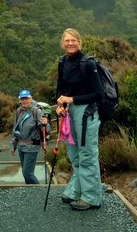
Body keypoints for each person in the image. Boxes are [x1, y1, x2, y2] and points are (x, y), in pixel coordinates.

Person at [55, 28, 103, 210]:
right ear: (62, 43)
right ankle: (76, 190)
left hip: (86, 114)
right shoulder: (63, 62)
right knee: (74, 154)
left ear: (79, 42)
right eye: (67, 40)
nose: (70, 43)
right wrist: (60, 104)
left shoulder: (88, 63)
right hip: (69, 113)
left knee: (87, 155)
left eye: (73, 40)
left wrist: (71, 100)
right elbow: (60, 88)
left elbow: (97, 94)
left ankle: (91, 197)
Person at [10, 89, 48, 184]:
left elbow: (45, 130)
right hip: (21, 146)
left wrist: (46, 124)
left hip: (32, 147)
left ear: (31, 98)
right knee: (25, 172)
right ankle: (30, 190)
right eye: (22, 98)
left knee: (27, 173)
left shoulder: (37, 111)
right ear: (19, 100)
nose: (24, 100)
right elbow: (16, 129)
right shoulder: (19, 111)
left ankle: (39, 191)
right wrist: (13, 146)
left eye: (26, 98)